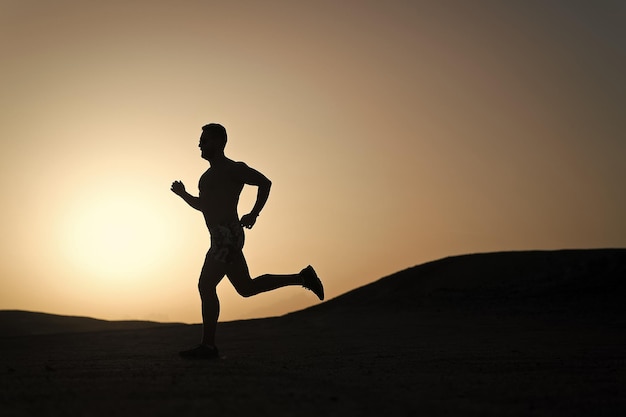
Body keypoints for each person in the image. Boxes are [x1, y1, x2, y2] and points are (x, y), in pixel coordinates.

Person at [171, 123, 324, 359]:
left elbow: (265, 182)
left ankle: (208, 347)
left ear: (220, 143)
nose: (200, 144)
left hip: (228, 236)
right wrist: (184, 196)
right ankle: (303, 277)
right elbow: (204, 206)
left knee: (206, 284)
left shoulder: (233, 169)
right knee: (246, 288)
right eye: (200, 140)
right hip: (219, 238)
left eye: (205, 140)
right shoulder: (205, 178)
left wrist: (254, 213)